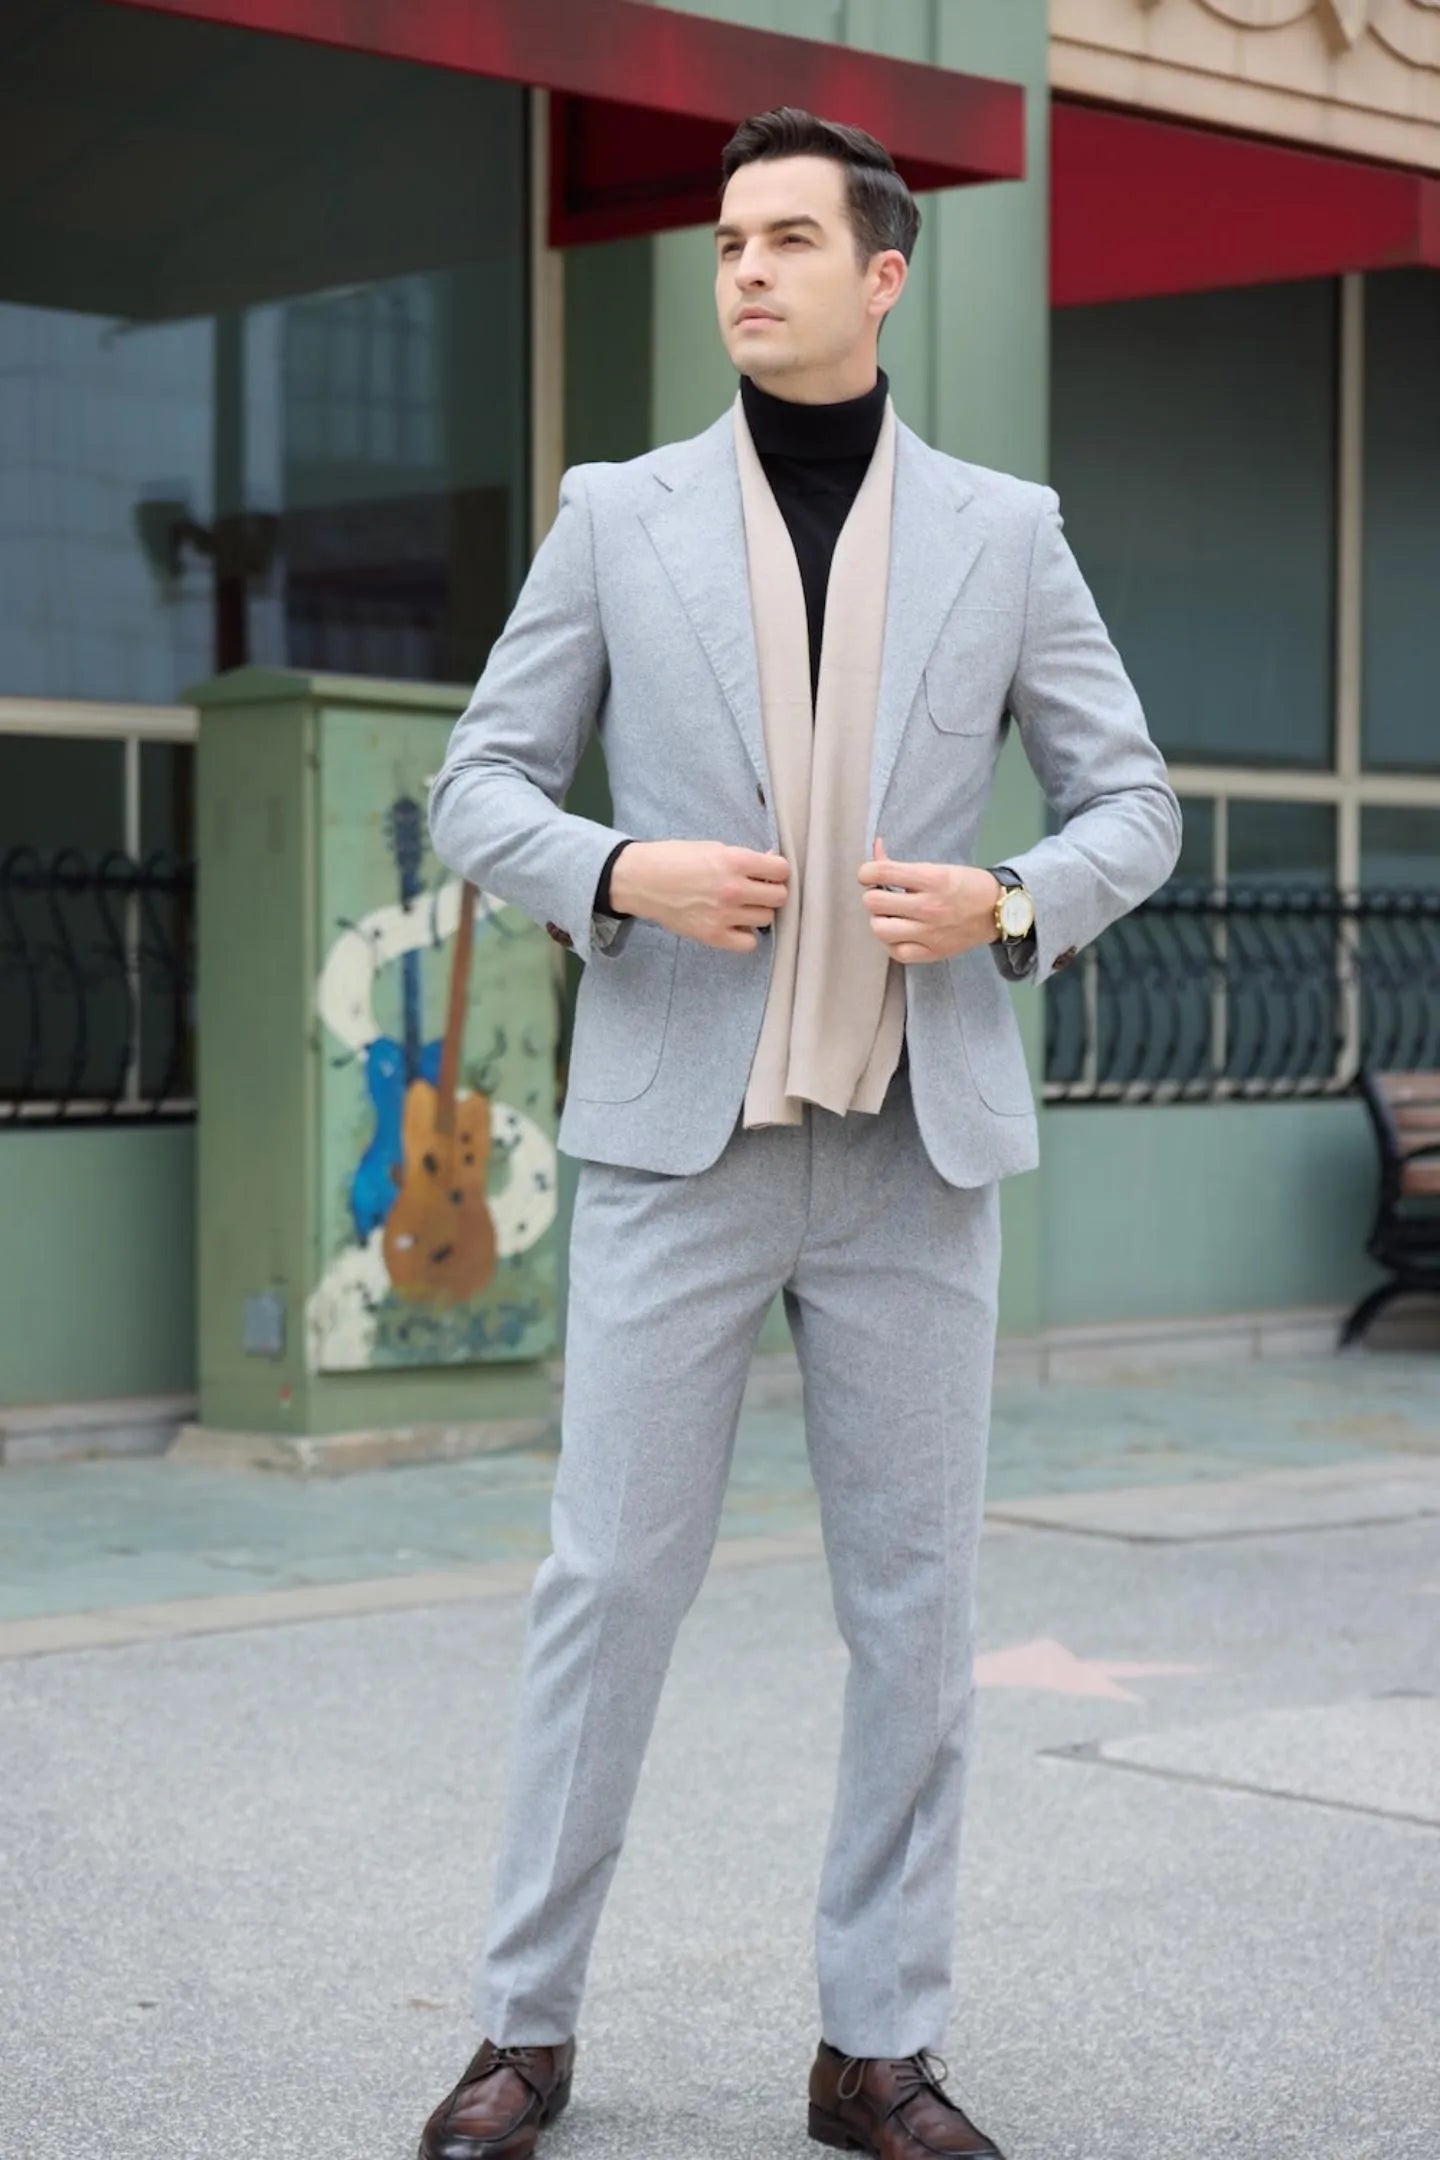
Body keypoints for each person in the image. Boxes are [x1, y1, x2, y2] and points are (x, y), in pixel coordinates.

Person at [419, 105, 1181, 2160]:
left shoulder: (1008, 534)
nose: (742, 269)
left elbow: (1137, 805)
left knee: (915, 1611)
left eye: (783, 239)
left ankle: (878, 2047)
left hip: (917, 1148)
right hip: (681, 1135)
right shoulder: (617, 512)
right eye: (727, 241)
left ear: (884, 275)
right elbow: (474, 787)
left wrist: (1011, 902)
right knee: (611, 1588)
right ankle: (523, 2028)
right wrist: (625, 868)